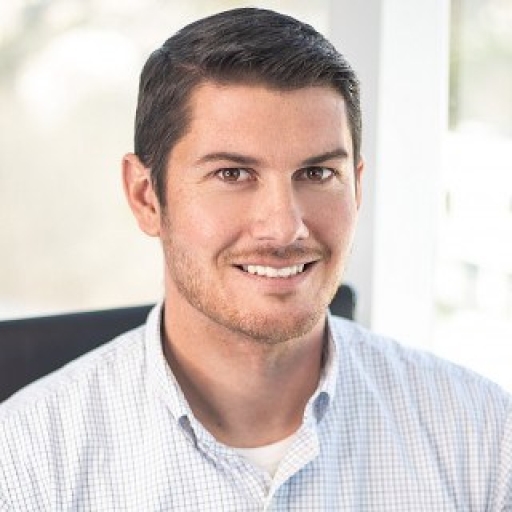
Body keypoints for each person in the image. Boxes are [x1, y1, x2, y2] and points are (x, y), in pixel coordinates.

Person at [0, 7, 511, 511]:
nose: (284, 227)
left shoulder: (485, 438)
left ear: (357, 188)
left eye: (317, 174)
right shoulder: (26, 463)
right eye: (232, 174)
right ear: (145, 197)